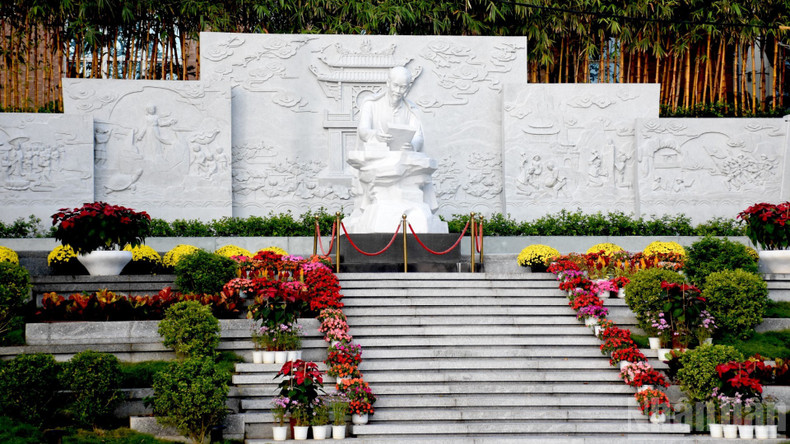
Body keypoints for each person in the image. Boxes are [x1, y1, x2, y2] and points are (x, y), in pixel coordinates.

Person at [357, 66, 424, 151]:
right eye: (395, 85)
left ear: (408, 87)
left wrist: (412, 146)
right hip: (376, 153)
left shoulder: (411, 109)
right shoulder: (371, 103)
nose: (398, 91)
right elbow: (363, 130)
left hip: (401, 155)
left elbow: (418, 136)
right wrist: (376, 136)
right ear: (388, 83)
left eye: (403, 87)